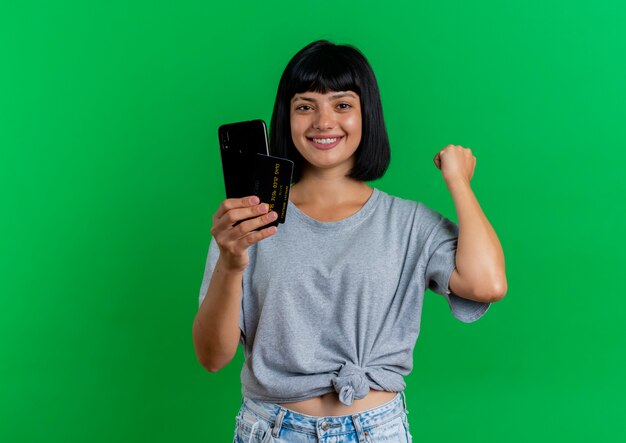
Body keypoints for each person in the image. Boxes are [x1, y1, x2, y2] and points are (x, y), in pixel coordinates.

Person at [193, 40, 507, 443]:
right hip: (271, 429)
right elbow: (212, 356)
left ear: (366, 116)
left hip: (377, 430)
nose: (323, 121)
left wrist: (458, 183)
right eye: (305, 106)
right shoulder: (248, 220)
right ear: (286, 118)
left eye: (342, 105)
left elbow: (488, 284)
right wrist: (231, 262)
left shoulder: (409, 222)